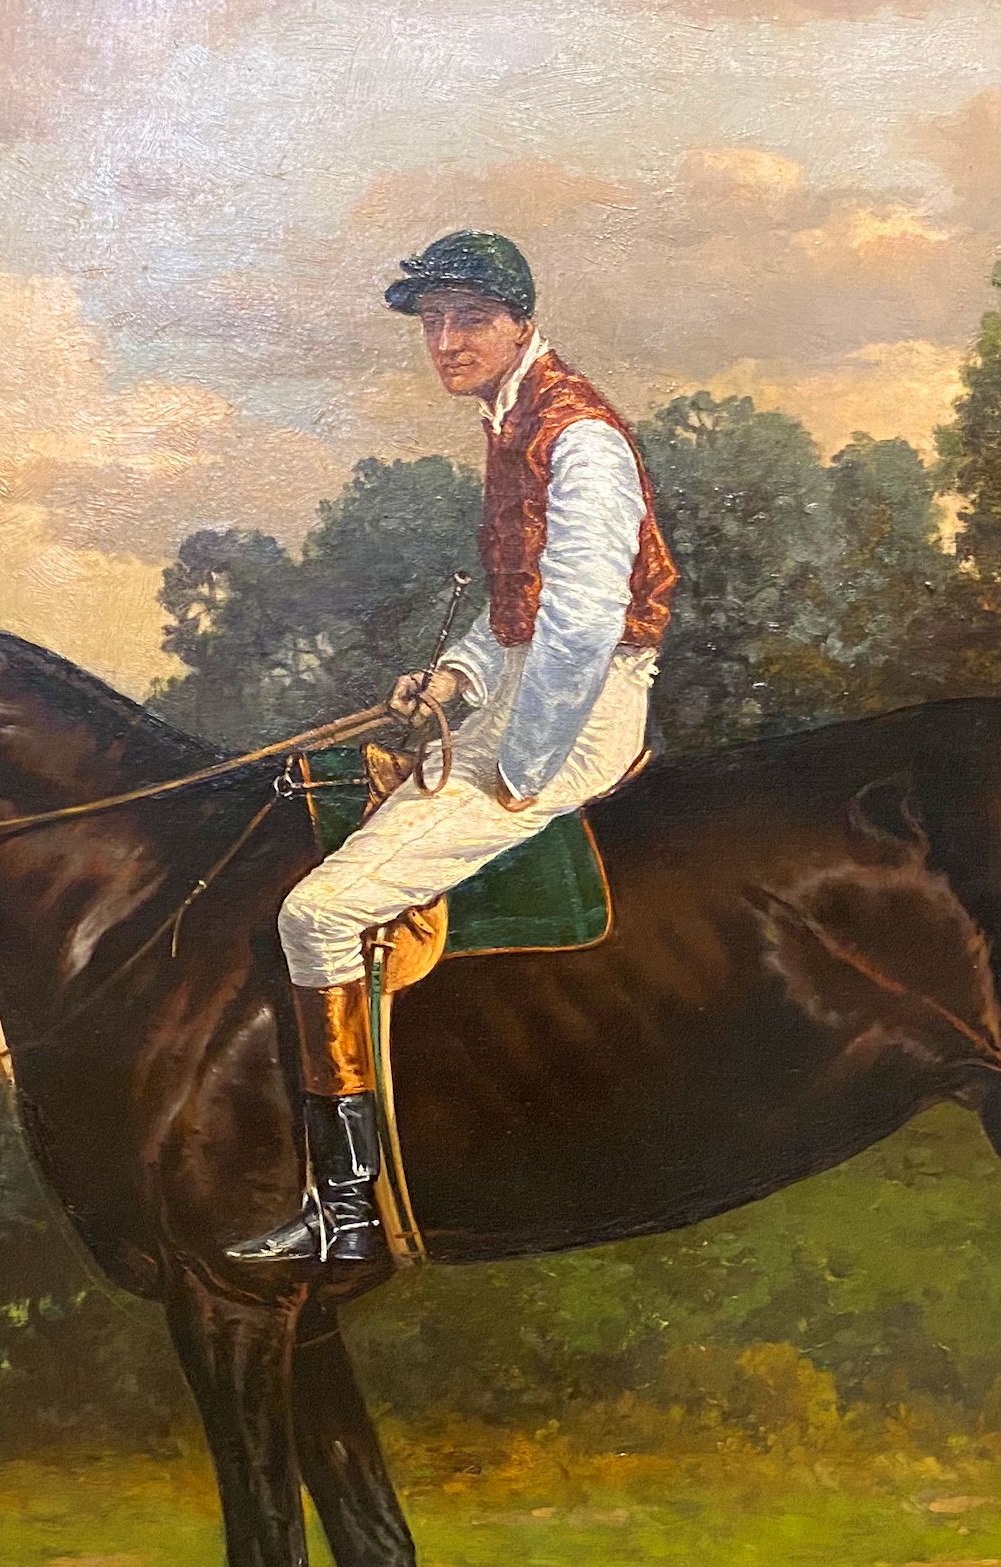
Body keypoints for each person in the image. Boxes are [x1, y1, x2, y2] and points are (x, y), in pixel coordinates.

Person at [230, 229, 679, 1264]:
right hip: (527, 688)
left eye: (469, 319)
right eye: (432, 322)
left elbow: (579, 627)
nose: (446, 341)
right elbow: (516, 611)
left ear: (522, 322)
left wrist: (519, 766)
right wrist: (455, 680)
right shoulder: (510, 417)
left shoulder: (580, 439)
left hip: (579, 710)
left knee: (315, 914)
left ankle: (347, 1215)